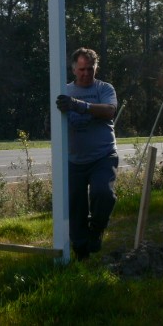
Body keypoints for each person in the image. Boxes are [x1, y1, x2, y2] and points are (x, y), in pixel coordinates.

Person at [55, 47, 119, 260]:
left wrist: (79, 105)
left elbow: (109, 110)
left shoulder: (104, 88)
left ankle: (97, 228)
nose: (86, 73)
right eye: (82, 69)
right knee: (75, 205)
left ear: (95, 68)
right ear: (74, 69)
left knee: (103, 193)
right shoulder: (64, 91)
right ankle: (81, 250)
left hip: (103, 155)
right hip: (74, 160)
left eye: (90, 69)